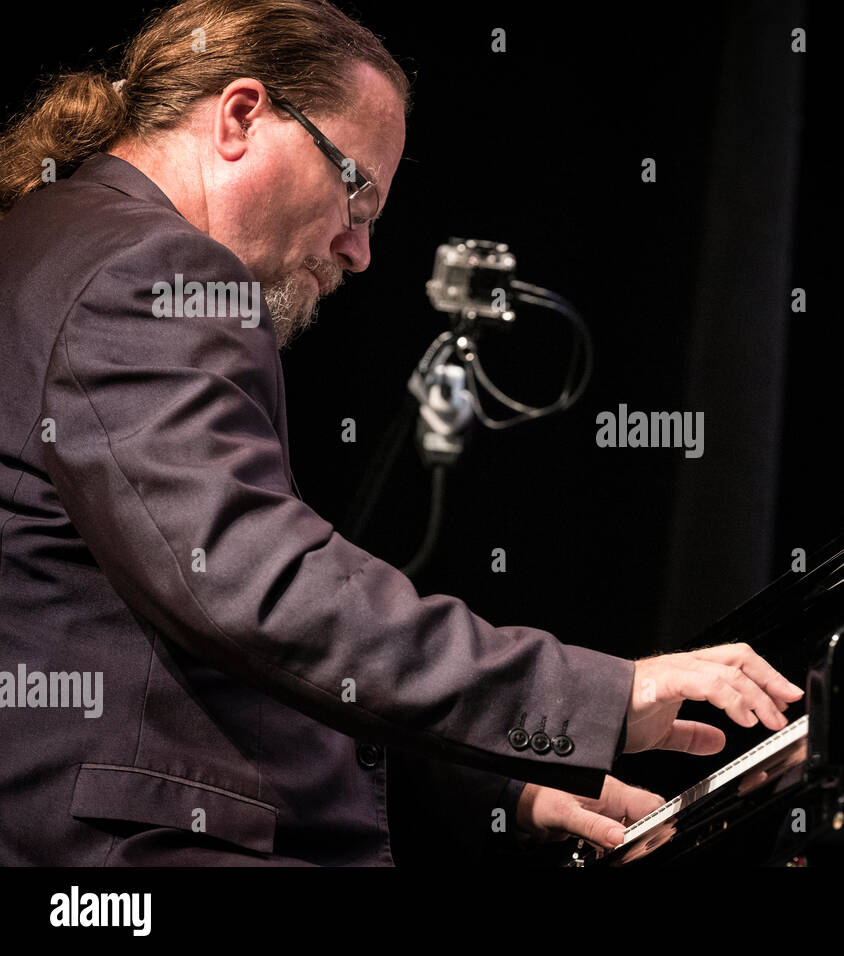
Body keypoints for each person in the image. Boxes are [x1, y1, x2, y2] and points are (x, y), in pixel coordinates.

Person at [0, 0, 802, 865]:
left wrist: (502, 778)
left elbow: (189, 635)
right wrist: (602, 694)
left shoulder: (53, 241)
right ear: (240, 116)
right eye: (357, 191)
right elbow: (253, 587)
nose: (359, 250)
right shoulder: (151, 267)